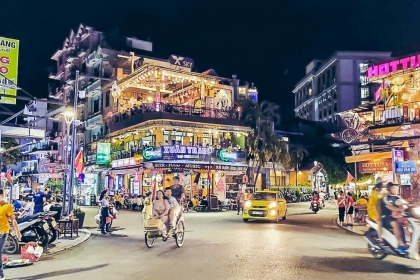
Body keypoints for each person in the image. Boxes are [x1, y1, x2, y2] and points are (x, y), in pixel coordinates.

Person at [0, 188, 21, 280]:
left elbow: (13, 220)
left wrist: (17, 232)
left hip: (2, 232)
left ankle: (1, 274)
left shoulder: (7, 206)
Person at [381, 182, 407, 254]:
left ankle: (408, 241)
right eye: (394, 188)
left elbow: (405, 204)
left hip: (397, 216)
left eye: (396, 188)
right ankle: (400, 244)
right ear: (388, 189)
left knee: (409, 222)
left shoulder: (398, 197)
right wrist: (399, 210)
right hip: (386, 217)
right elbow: (389, 206)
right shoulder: (385, 198)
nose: (396, 189)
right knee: (395, 224)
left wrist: (412, 205)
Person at [367, 177, 386, 244]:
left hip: (379, 211)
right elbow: (376, 203)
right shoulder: (375, 192)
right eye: (381, 184)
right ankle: (381, 239)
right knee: (380, 222)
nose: (382, 185)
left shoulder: (379, 191)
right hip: (373, 211)